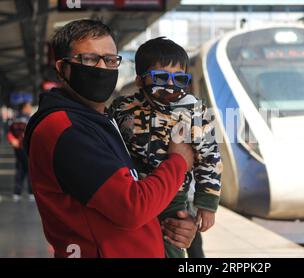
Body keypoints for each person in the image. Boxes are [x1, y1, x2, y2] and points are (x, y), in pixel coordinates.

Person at [23, 19, 197, 258]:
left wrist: (170, 224)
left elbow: (131, 191)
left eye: (110, 59)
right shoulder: (65, 128)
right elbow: (131, 207)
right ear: (63, 69)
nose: (103, 68)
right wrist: (177, 162)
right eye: (90, 59)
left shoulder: (103, 119)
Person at [110, 37, 222, 258]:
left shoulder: (195, 111)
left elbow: (209, 157)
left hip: (173, 195)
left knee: (171, 245)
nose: (170, 85)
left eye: (179, 79)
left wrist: (207, 204)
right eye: (160, 77)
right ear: (140, 81)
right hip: (134, 193)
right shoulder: (122, 108)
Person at [7, 102, 33, 202]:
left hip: (17, 147)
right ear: (25, 108)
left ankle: (17, 192)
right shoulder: (28, 119)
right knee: (29, 169)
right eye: (29, 107)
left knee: (20, 169)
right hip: (25, 148)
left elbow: (9, 132)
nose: (30, 109)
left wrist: (13, 140)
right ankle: (30, 192)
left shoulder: (14, 118)